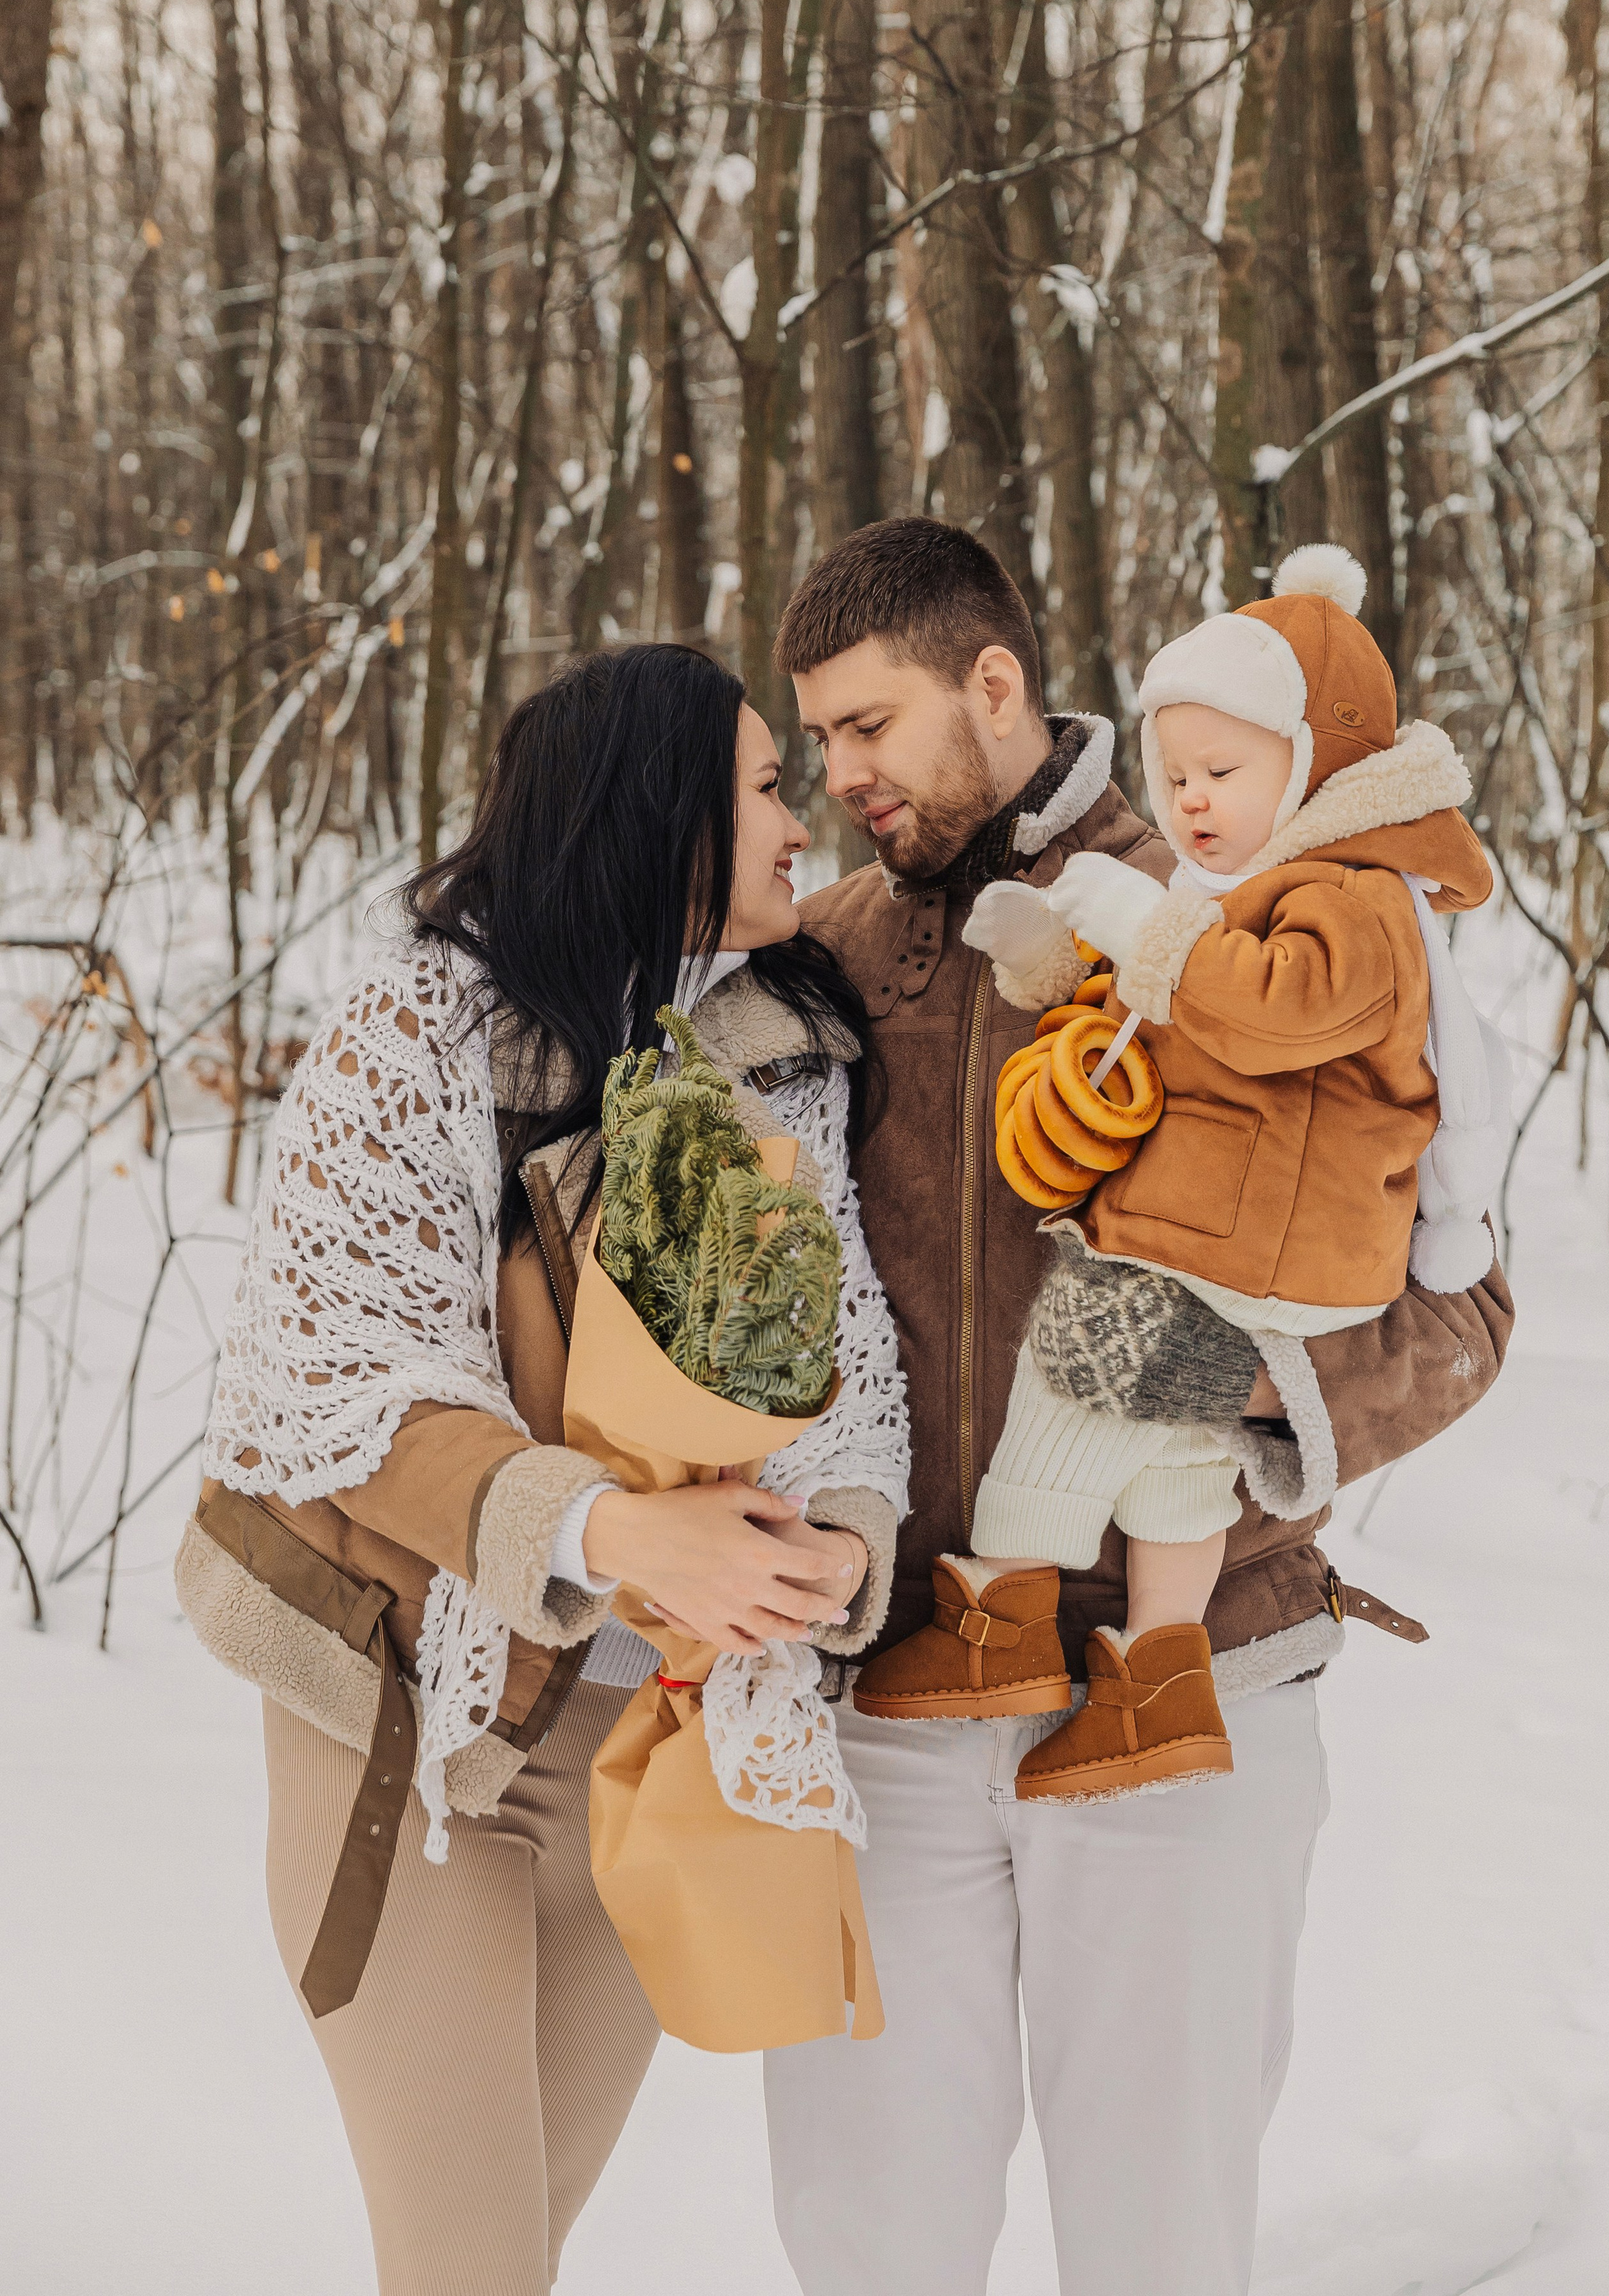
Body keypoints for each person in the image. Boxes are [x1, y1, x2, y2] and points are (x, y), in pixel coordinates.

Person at [768, 515, 1514, 2296]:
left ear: (995, 684)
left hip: (1195, 1682)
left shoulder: (1267, 902)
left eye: (868, 725)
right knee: (870, 2245)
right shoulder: (824, 959)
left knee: (1160, 2243)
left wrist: (1221, 1374)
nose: (839, 773)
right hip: (897, 1691)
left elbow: (1470, 1301)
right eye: (817, 739)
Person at [175, 644, 909, 2296]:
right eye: (766, 785)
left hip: (643, 1752)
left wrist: (837, 1549)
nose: (800, 818)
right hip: (412, 1739)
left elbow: (845, 1374)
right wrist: (615, 1524)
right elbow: (356, 1392)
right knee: (467, 2271)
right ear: (661, 812)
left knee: (521, 2256)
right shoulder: (410, 1039)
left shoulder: (775, 1055)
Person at [853, 540, 1501, 1806]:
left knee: (1073, 1370)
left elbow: (1258, 1011)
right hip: (1226, 1248)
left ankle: (999, 1624)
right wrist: (1058, 965)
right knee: (1175, 1459)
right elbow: (1158, 1021)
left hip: (1251, 1257)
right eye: (1179, 772)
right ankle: (1160, 1676)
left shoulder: (1350, 902)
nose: (1192, 800)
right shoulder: (1235, 892)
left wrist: (1267, 1384)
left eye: (1224, 771)